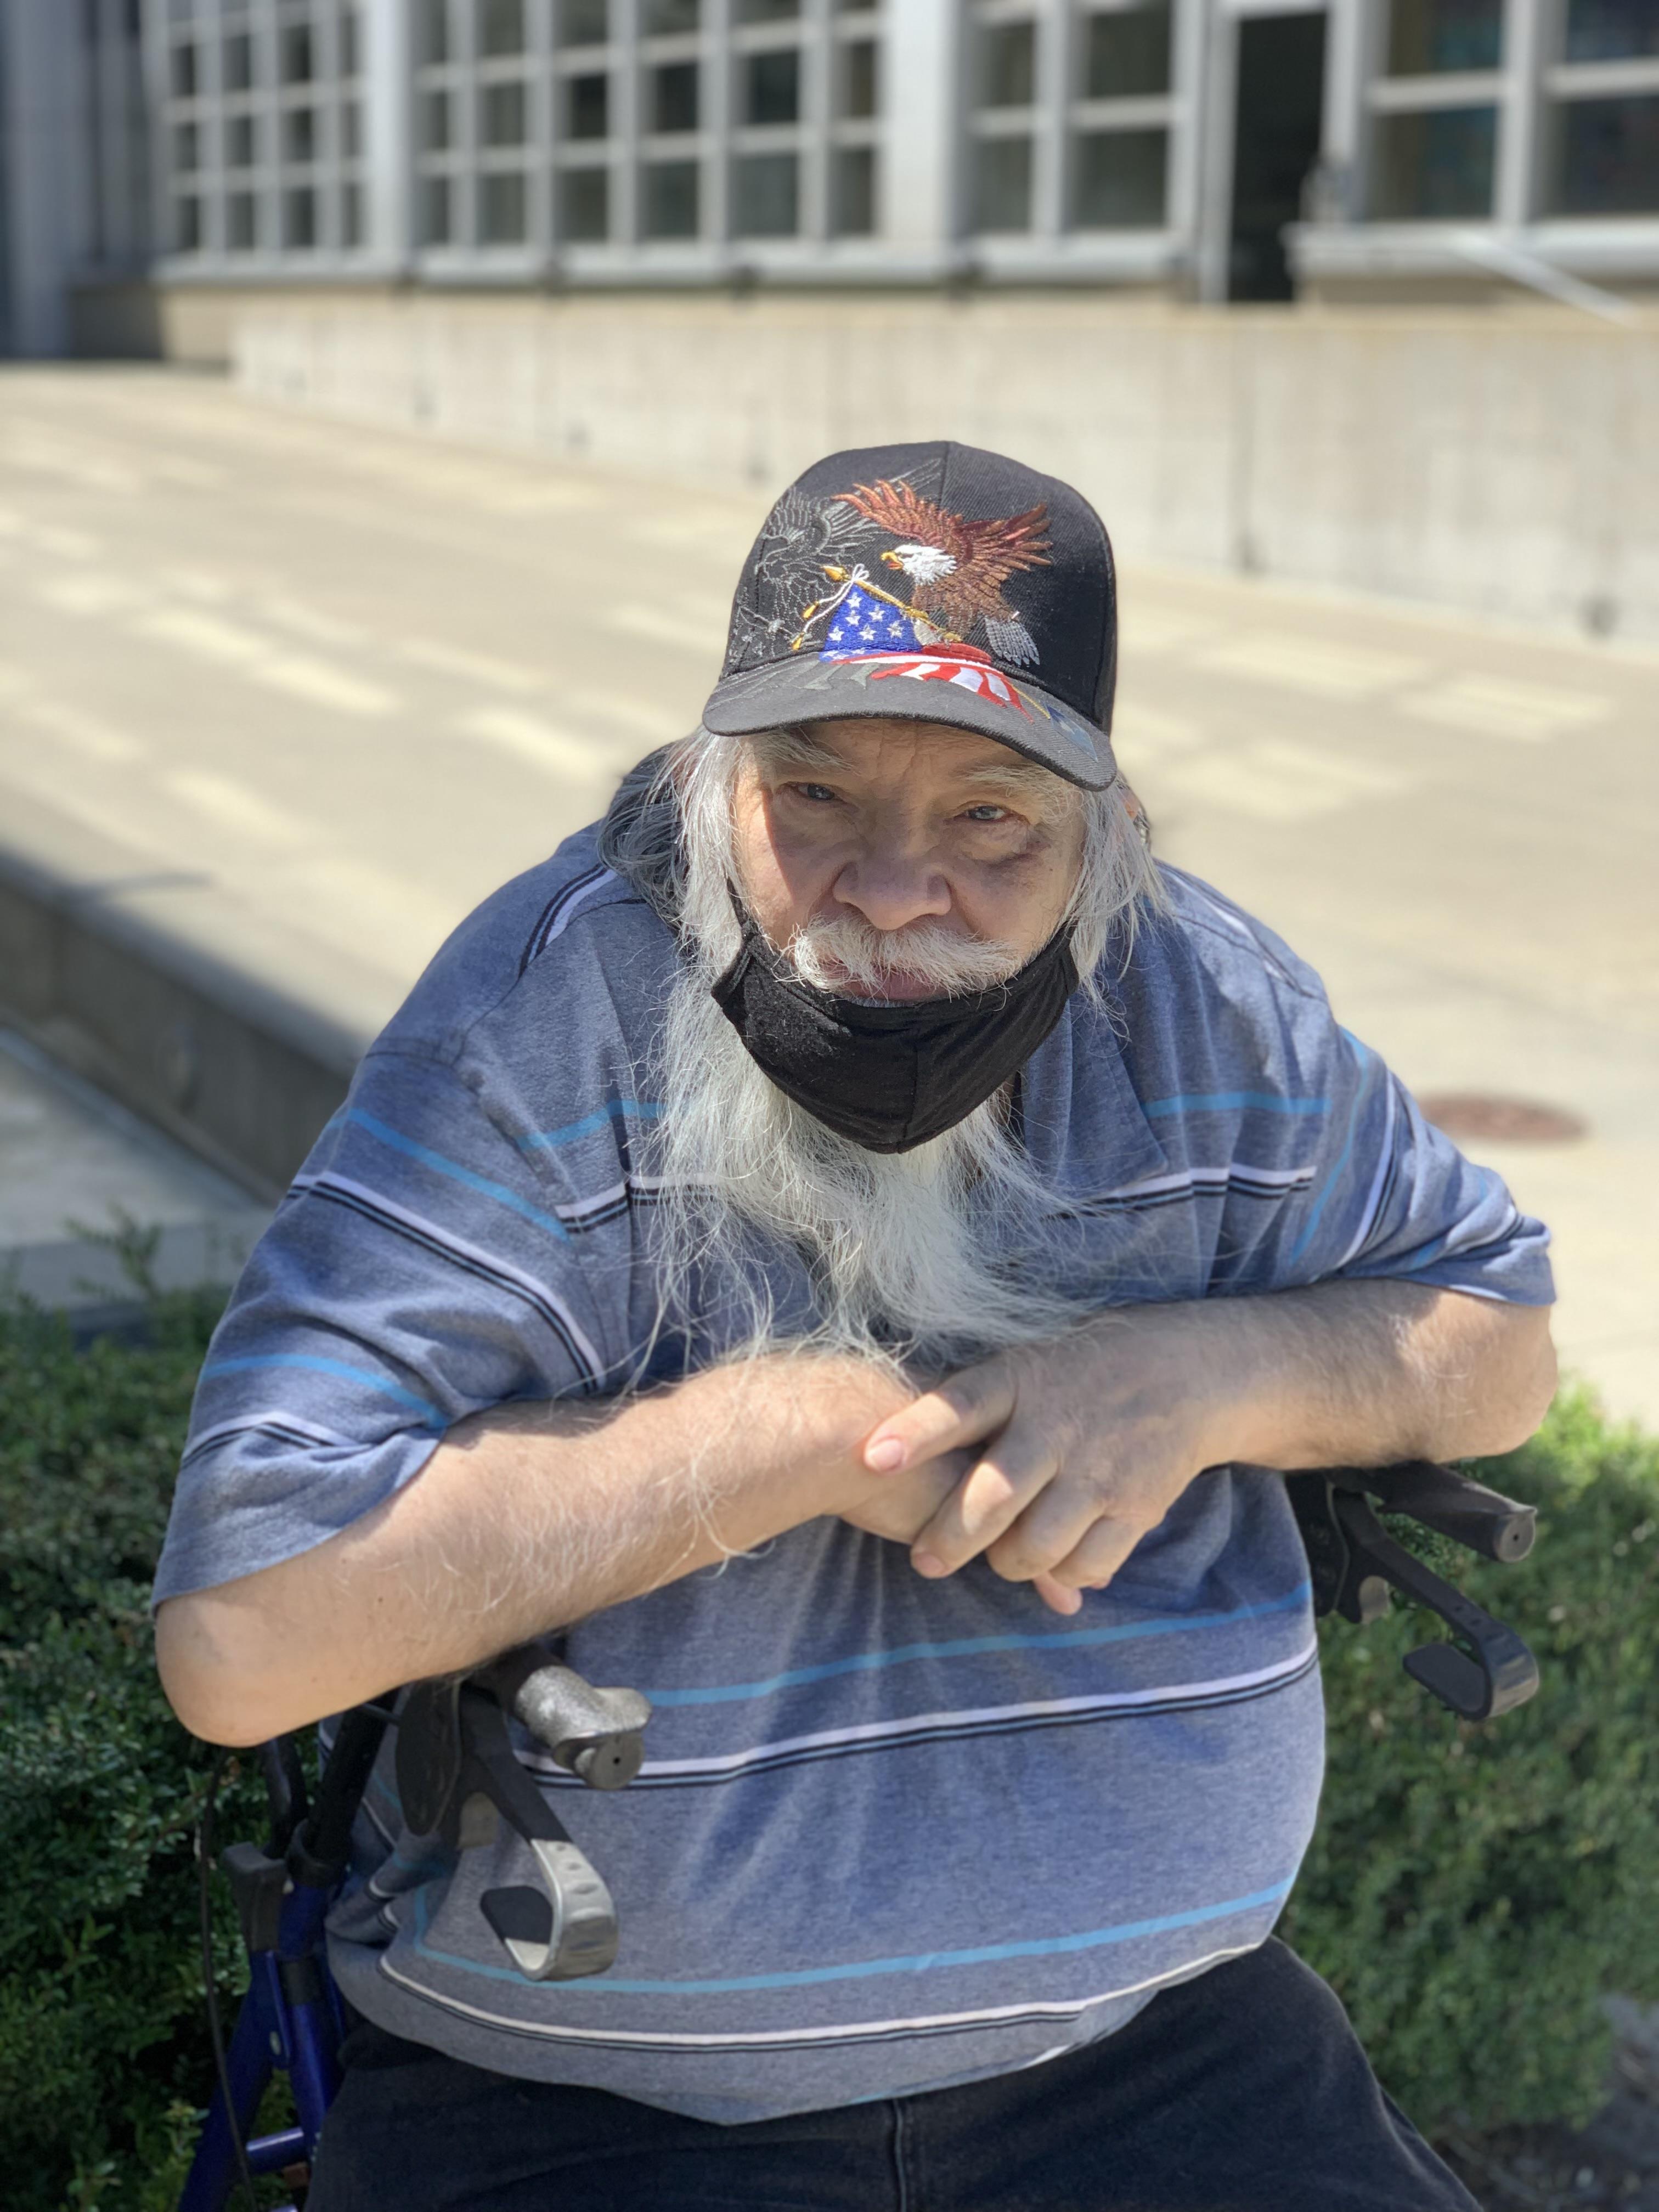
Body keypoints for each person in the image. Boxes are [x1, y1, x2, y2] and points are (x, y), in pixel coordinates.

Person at [154, 443, 1555, 2211]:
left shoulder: (1205, 994)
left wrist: (1210, 1372)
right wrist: (799, 1435)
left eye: (989, 817)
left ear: (1111, 836)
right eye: (814, 799)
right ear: (705, 784)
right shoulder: (540, 1015)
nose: (894, 893)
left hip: (1163, 2055)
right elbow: (242, 1644)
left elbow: (1499, 1341)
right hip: (590, 2112)